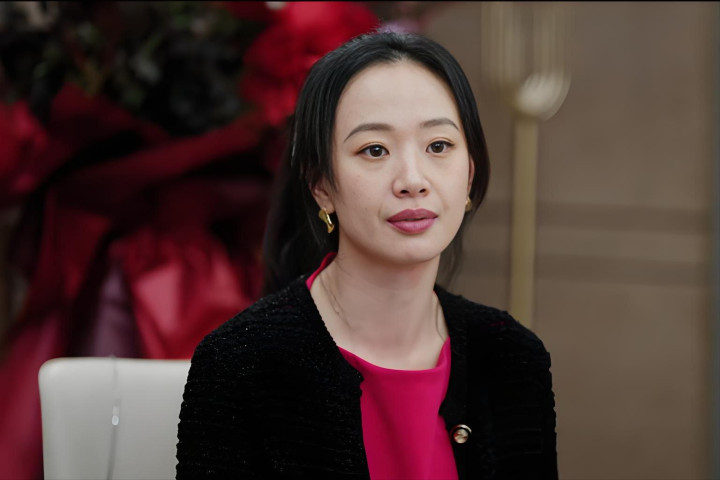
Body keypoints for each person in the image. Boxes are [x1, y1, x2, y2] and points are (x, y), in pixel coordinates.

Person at [176, 31, 558, 479]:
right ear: (321, 185)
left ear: (470, 174)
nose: (412, 180)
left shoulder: (512, 357)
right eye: (374, 150)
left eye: (438, 146)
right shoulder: (240, 362)